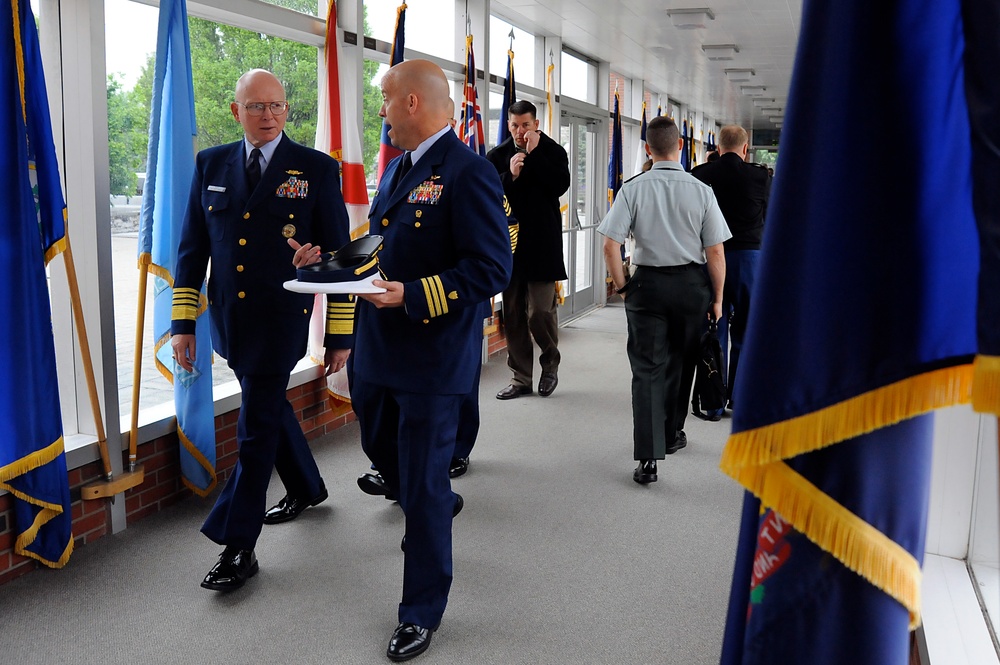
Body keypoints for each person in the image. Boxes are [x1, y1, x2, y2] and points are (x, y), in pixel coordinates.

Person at [296, 59, 511, 661]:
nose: (382, 110)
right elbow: (379, 245)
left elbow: (492, 268)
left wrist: (413, 295)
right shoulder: (400, 170)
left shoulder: (467, 173)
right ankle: (431, 496)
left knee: (420, 484)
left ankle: (419, 610)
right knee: (386, 455)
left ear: (413, 103)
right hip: (379, 351)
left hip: (434, 356)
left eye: (387, 99)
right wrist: (327, 264)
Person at [170, 69, 352, 591]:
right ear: (236, 111)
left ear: (287, 110)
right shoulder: (211, 164)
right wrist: (184, 323)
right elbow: (191, 251)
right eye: (256, 107)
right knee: (267, 407)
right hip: (232, 320)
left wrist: (340, 334)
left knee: (253, 432)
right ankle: (306, 486)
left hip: (280, 321)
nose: (268, 115)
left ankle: (238, 545)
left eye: (276, 106)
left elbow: (340, 258)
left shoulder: (316, 169)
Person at [597, 116, 730, 484]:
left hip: (648, 287)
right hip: (691, 287)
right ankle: (672, 434)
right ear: (681, 146)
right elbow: (715, 251)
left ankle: (649, 458)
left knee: (647, 370)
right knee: (682, 365)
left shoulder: (633, 188)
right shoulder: (701, 191)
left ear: (647, 149)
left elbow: (610, 244)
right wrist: (717, 299)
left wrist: (623, 287)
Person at [486, 100, 570, 400]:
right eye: (514, 126)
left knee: (540, 313)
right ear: (508, 125)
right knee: (513, 315)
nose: (520, 132)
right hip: (508, 247)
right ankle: (521, 377)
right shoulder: (497, 155)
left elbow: (560, 185)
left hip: (542, 245)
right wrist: (510, 177)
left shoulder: (553, 151)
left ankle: (550, 361)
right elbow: (487, 195)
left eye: (525, 125)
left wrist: (533, 158)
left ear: (536, 123)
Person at [691, 125, 770, 410]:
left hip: (711, 258)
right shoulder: (761, 176)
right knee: (747, 330)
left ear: (719, 147)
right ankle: (738, 397)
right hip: (750, 260)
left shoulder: (700, 175)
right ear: (745, 149)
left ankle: (712, 402)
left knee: (713, 328)